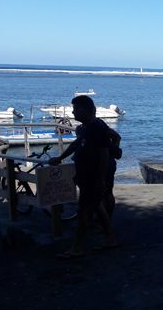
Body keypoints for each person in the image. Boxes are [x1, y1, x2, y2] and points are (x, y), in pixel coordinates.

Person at [50, 96, 118, 260]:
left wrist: (100, 180)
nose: (73, 112)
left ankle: (77, 247)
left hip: (93, 178)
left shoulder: (97, 128)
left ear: (85, 110)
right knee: (95, 207)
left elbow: (104, 155)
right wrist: (60, 158)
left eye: (75, 109)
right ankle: (110, 239)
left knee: (83, 211)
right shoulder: (86, 128)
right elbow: (75, 145)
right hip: (86, 176)